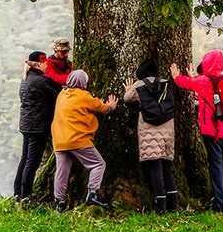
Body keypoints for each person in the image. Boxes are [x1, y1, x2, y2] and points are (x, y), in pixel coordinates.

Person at [170, 49, 223, 213]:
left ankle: (219, 205)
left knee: (216, 165)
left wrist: (176, 76)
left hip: (213, 131)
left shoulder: (204, 80)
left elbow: (184, 83)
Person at [51, 69, 117, 211]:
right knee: (98, 164)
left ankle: (60, 201)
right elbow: (103, 109)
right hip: (77, 139)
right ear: (83, 83)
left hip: (59, 140)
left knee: (62, 171)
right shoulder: (85, 96)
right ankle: (92, 193)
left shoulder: (61, 95)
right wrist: (111, 106)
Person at [123, 58, 178, 214]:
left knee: (154, 167)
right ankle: (173, 204)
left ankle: (160, 205)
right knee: (166, 166)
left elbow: (127, 99)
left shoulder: (139, 85)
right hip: (167, 128)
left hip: (148, 129)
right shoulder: (166, 83)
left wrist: (128, 89)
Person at [13, 51, 62, 203]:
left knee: (25, 158)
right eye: (45, 62)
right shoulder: (41, 80)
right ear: (39, 64)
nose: (47, 65)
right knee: (32, 161)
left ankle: (18, 192)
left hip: (27, 125)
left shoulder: (26, 79)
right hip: (38, 126)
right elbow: (60, 92)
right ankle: (26, 195)